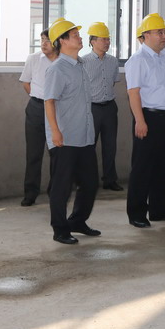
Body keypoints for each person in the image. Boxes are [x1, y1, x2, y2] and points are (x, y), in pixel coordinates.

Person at [43, 19, 99, 245]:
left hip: (84, 136)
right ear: (62, 41)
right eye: (75, 35)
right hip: (64, 138)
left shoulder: (80, 65)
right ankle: (60, 229)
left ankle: (77, 221)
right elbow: (49, 102)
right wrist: (55, 132)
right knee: (62, 187)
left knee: (90, 183)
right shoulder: (57, 69)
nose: (80, 37)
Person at [124, 13, 165, 228]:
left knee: (163, 166)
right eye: (159, 32)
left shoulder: (164, 57)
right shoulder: (137, 60)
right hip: (148, 118)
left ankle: (158, 209)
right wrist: (140, 121)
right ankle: (137, 213)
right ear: (146, 35)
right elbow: (133, 93)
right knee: (143, 168)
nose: (164, 36)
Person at [19, 28, 59, 206]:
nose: (44, 43)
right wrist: (39, 98)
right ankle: (30, 193)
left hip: (58, 110)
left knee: (57, 153)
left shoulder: (64, 60)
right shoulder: (33, 59)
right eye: (42, 39)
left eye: (48, 40)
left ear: (57, 42)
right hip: (36, 108)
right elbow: (26, 83)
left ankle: (55, 192)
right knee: (33, 153)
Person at [83, 22, 121, 191]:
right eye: (103, 39)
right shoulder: (83, 62)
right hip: (92, 109)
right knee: (89, 146)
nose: (107, 42)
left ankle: (110, 180)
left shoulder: (113, 61)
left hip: (110, 107)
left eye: (108, 39)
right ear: (92, 41)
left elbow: (112, 82)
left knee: (110, 146)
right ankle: (88, 181)